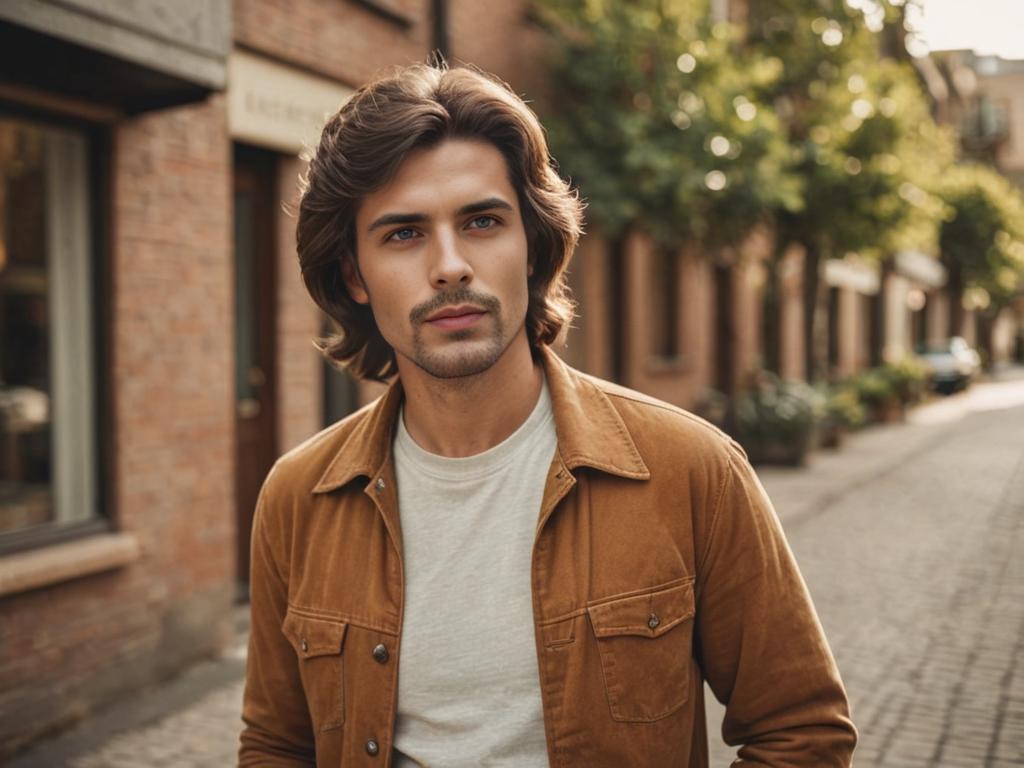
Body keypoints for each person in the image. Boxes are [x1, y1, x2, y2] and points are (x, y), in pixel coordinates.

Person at [238, 63, 856, 767]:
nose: (450, 267)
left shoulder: (691, 470)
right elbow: (275, 745)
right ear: (353, 273)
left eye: (481, 221)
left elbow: (802, 732)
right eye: (404, 234)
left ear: (530, 244)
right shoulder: (297, 499)